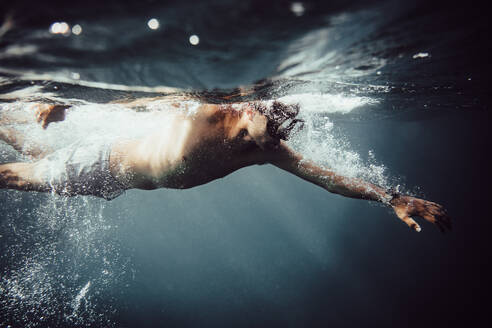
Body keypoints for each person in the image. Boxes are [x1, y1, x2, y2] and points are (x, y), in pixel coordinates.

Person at [0, 98, 450, 232]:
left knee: (36, 158)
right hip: (103, 163)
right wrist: (65, 106)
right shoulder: (207, 110)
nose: (280, 126)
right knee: (14, 176)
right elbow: (137, 102)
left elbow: (329, 181)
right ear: (249, 109)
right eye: (273, 116)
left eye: (284, 121)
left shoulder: (266, 150)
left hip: (117, 178)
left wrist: (391, 197)